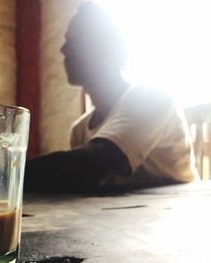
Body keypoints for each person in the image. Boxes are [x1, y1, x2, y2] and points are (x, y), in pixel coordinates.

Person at [24, 1, 199, 194]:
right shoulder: (80, 130)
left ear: (107, 47)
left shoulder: (151, 99)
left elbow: (87, 167)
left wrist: (2, 173)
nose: (64, 50)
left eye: (76, 40)